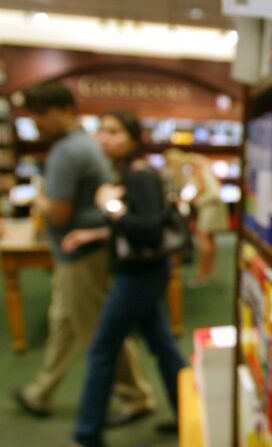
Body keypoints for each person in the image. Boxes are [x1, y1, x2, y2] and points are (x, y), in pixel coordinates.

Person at [13, 83, 155, 425]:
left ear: (63, 111)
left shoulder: (68, 152)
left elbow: (60, 213)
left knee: (100, 332)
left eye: (41, 114)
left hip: (82, 253)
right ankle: (42, 390)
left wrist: (37, 197)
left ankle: (136, 397)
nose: (36, 122)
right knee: (63, 323)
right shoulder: (77, 147)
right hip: (78, 252)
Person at [63, 110, 186, 447]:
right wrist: (95, 234)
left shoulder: (139, 177)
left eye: (114, 131)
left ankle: (87, 435)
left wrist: (111, 208)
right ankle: (188, 412)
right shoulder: (129, 175)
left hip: (140, 275)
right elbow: (134, 229)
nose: (104, 138)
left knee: (103, 348)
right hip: (142, 272)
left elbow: (147, 232)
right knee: (163, 347)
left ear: (134, 138)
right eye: (101, 130)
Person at [165, 149, 228, 286]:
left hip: (209, 205)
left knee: (203, 236)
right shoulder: (199, 163)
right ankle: (209, 270)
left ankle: (203, 272)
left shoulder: (194, 164)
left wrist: (188, 200)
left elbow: (202, 187)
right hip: (213, 204)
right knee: (209, 238)